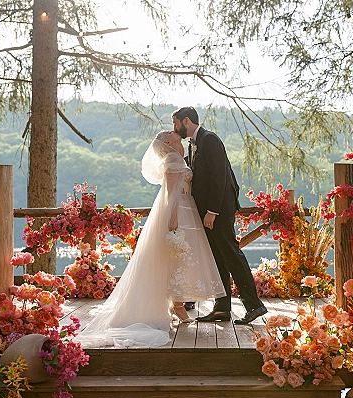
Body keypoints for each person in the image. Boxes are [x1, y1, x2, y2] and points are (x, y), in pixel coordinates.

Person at [77, 130, 225, 348]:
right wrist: (173, 218)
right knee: (176, 258)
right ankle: (178, 305)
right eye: (167, 132)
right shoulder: (173, 160)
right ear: (166, 141)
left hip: (188, 209)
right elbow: (170, 194)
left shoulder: (178, 155)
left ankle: (178, 303)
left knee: (181, 258)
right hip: (179, 211)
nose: (171, 130)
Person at [172, 107, 268, 325]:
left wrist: (213, 211)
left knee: (231, 254)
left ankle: (254, 304)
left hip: (218, 211)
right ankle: (222, 308)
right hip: (207, 211)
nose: (174, 128)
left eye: (175, 123)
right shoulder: (193, 144)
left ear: (186, 121)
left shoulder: (210, 140)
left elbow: (220, 177)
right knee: (218, 258)